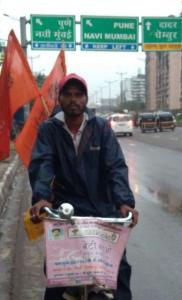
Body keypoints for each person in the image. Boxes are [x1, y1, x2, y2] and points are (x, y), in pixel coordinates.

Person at [28, 73, 139, 300]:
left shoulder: (101, 128)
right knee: (56, 274)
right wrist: (42, 198)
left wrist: (125, 202)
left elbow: (116, 166)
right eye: (67, 94)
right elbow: (42, 164)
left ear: (86, 99)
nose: (73, 99)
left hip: (103, 212)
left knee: (120, 272)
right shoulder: (49, 130)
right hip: (66, 213)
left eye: (78, 94)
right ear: (59, 99)